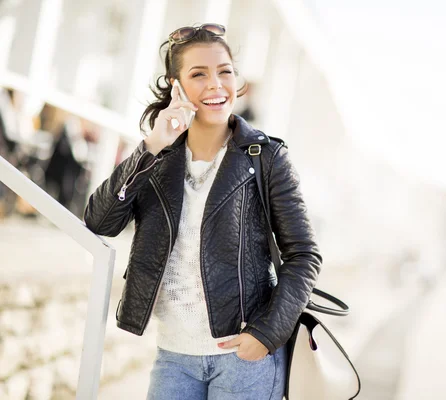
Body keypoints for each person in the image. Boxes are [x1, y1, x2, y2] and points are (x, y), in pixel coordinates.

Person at [83, 24, 322, 400]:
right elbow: (100, 221)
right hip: (174, 357)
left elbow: (303, 254)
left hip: (245, 360)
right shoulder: (157, 158)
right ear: (175, 85)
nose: (216, 84)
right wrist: (152, 145)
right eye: (199, 74)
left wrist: (267, 334)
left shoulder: (267, 157)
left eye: (225, 71)